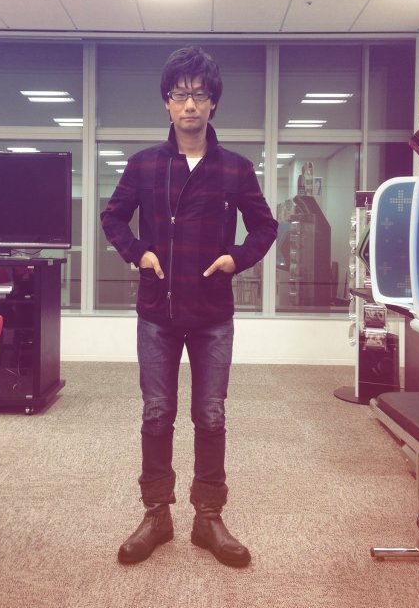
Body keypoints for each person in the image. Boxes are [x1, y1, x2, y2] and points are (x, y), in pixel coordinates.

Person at [101, 45, 278, 568]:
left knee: (210, 413)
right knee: (157, 412)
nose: (190, 105)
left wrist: (236, 258)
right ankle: (157, 514)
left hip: (211, 313)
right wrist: (139, 252)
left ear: (213, 102)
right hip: (157, 310)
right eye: (180, 95)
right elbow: (113, 218)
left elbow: (265, 227)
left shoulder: (234, 168)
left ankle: (208, 518)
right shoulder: (145, 164)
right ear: (167, 102)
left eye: (199, 95)